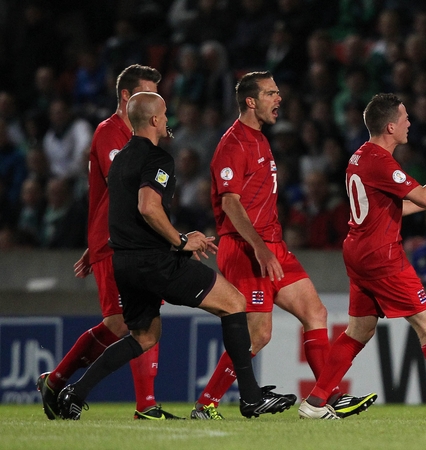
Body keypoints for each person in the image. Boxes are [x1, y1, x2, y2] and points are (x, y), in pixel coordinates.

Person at [54, 91, 282, 420]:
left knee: (145, 336)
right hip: (155, 261)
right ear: (154, 120)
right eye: (163, 114)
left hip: (125, 263)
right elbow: (148, 207)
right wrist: (180, 241)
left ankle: (75, 392)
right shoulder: (158, 159)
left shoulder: (121, 160)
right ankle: (250, 398)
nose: (167, 119)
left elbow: (123, 213)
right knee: (234, 302)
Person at [297, 93, 426, 420]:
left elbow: (393, 206)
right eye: (405, 118)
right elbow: (424, 196)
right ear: (391, 126)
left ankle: (315, 401)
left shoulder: (359, 157)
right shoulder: (381, 161)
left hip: (358, 249)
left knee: (359, 330)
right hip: (381, 256)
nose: (410, 123)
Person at [195, 71, 375, 420]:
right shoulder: (233, 143)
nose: (279, 99)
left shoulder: (260, 138)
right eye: (271, 93)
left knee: (315, 313)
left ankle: (325, 397)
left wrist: (269, 245)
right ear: (251, 101)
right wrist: (260, 248)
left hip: (273, 246)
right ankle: (206, 404)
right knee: (258, 334)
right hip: (247, 249)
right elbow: (230, 203)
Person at [36, 65, 180, 420]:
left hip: (130, 240)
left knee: (137, 321)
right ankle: (62, 382)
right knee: (125, 323)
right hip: (117, 243)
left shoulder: (137, 137)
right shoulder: (110, 133)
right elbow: (127, 190)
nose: (158, 104)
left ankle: (137, 402)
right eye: (150, 95)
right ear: (129, 98)